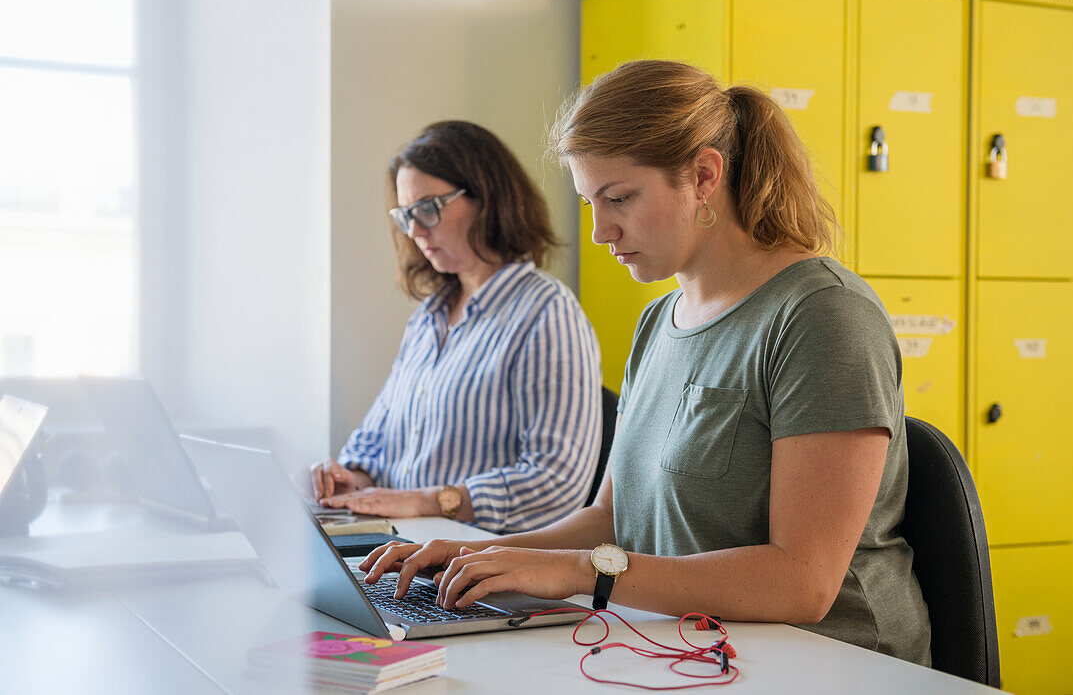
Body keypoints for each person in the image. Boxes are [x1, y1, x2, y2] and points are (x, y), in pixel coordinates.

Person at [359, 61, 932, 665]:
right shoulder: (659, 321)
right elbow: (611, 517)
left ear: (704, 176)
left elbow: (803, 582)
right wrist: (481, 556)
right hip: (687, 649)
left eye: (620, 199)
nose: (601, 231)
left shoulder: (822, 316)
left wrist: (582, 573)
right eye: (589, 202)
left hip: (831, 662)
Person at [312, 121, 602, 534]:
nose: (414, 231)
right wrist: (350, 481)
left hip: (474, 568)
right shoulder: (429, 317)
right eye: (405, 215)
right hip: (402, 550)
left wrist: (431, 502)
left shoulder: (546, 313)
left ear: (487, 198)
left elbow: (556, 483)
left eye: (428, 208)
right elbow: (374, 448)